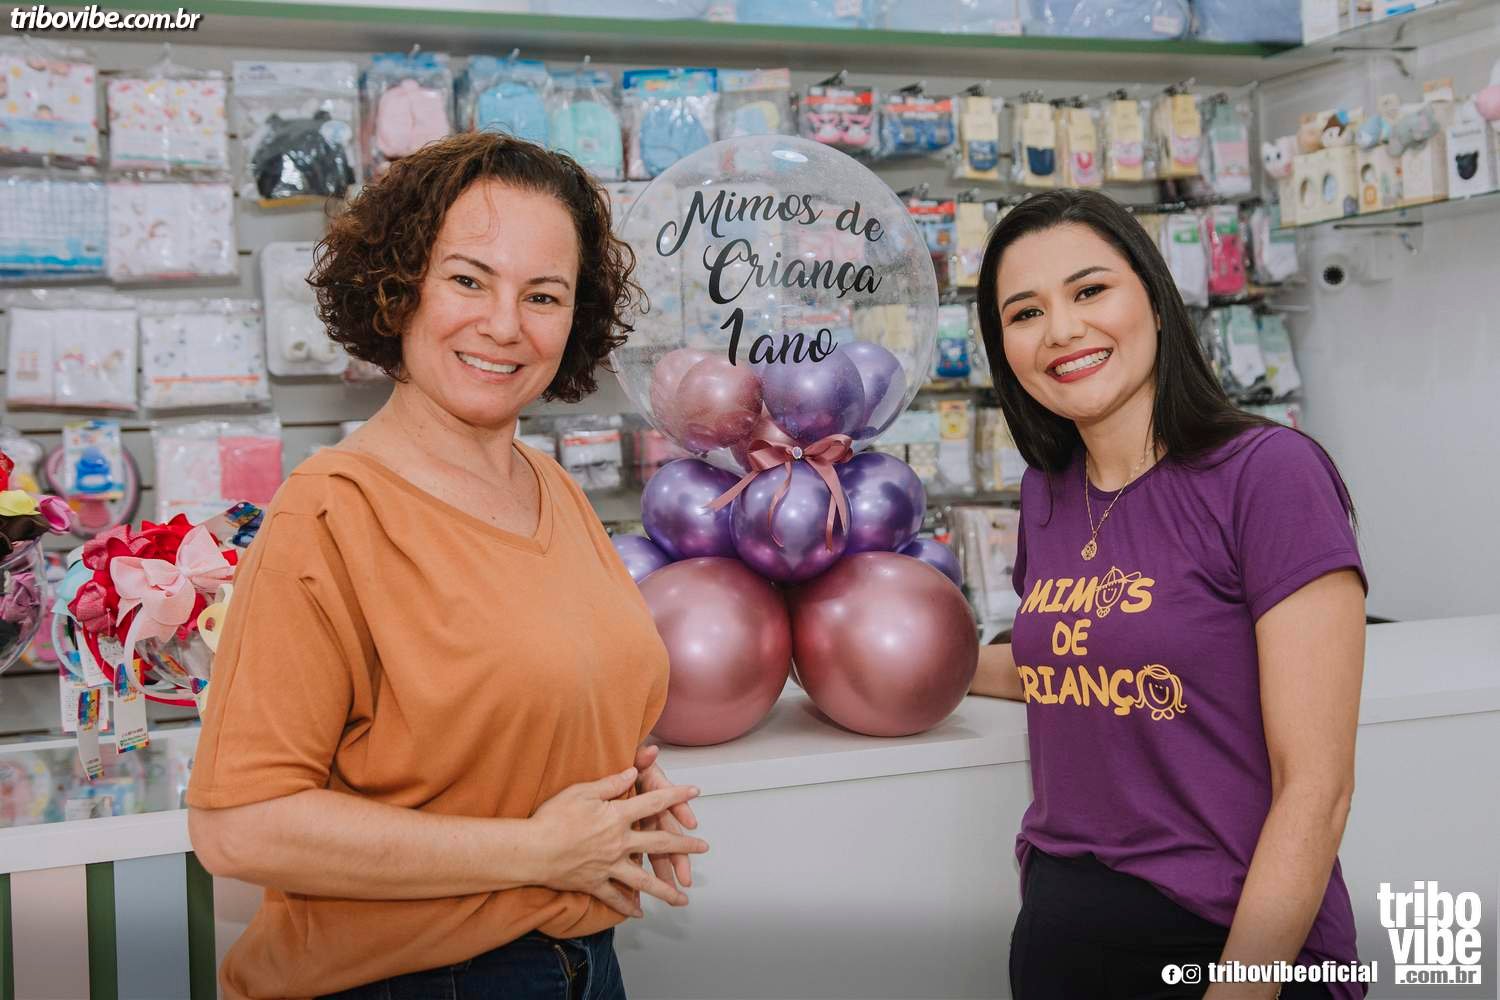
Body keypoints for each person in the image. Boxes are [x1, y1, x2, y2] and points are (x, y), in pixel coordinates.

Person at [186, 132, 709, 1000]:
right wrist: (538, 849)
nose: (504, 325)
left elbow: (507, 700)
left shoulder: (551, 488)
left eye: (543, 295)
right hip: (416, 979)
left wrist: (607, 784)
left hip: (583, 960)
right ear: (398, 289)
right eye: (469, 280)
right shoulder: (332, 512)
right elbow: (238, 827)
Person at [967, 190, 1367, 1000]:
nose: (1062, 330)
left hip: (1226, 939)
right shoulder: (1047, 493)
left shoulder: (1269, 474)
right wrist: (853, 669)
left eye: (1089, 291)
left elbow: (1316, 790)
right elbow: (1069, 661)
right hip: (1062, 937)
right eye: (1026, 312)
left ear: (1154, 298)